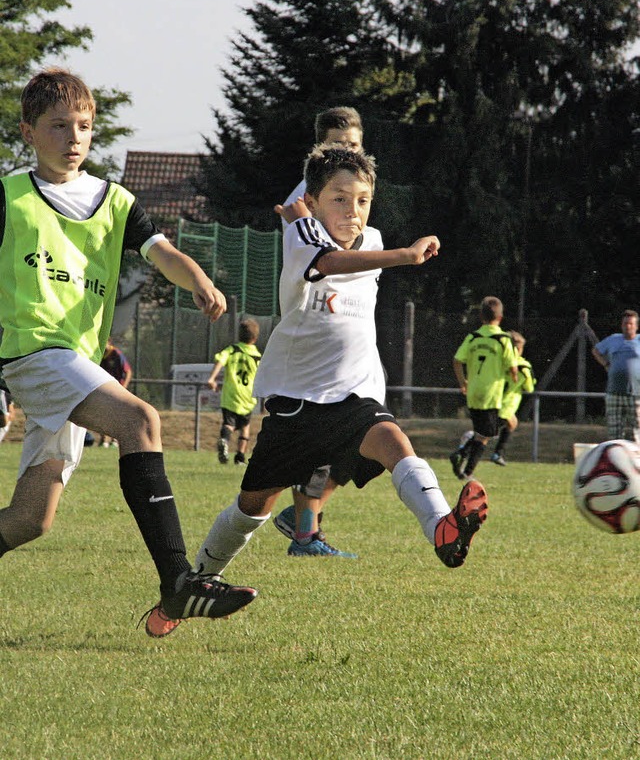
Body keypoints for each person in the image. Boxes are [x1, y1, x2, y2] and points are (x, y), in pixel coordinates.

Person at [144, 145, 489, 637]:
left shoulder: (369, 236)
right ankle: (191, 587)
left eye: (363, 200)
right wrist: (406, 256)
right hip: (297, 403)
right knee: (252, 507)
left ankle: (443, 530)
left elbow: (355, 247)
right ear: (313, 200)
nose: (353, 212)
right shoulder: (303, 235)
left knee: (396, 445)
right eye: (340, 199)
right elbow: (327, 262)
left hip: (355, 396)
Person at [0, 67, 257, 638]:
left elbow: (159, 249)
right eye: (58, 125)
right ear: (28, 132)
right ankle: (179, 581)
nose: (73, 138)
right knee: (139, 419)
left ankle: (178, 583)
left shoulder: (113, 199)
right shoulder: (10, 196)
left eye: (84, 126)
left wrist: (196, 277)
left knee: (30, 519)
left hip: (77, 363)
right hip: (33, 352)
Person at [272, 106, 364, 558]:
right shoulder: (307, 196)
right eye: (336, 144)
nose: (345, 151)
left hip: (349, 323)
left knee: (363, 440)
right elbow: (317, 261)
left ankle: (301, 520)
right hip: (315, 327)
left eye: (352, 144)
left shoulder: (356, 189)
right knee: (323, 438)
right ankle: (306, 533)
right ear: (319, 148)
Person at [450, 296, 518, 479]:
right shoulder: (503, 339)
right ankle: (462, 456)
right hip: (491, 393)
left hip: (473, 392)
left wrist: (462, 382)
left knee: (485, 432)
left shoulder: (473, 337)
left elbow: (457, 361)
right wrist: (514, 376)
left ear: (481, 316)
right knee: (486, 434)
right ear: (501, 318)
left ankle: (465, 468)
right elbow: (512, 366)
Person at [208, 318, 262, 465]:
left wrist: (212, 378)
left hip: (230, 395)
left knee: (228, 423)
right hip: (247, 397)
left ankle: (224, 440)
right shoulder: (257, 356)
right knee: (245, 427)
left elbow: (220, 360)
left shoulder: (232, 350)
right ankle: (240, 458)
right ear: (255, 338)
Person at [592, 309, 640, 443]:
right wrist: (606, 364)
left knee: (638, 431)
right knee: (614, 434)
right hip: (614, 393)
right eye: (625, 323)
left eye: (631, 324)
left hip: (636, 394)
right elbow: (596, 350)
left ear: (636, 326)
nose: (628, 326)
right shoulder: (613, 339)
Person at [489, 331, 535, 466]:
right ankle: (464, 447)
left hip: (492, 399)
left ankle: (497, 453)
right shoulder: (521, 366)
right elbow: (529, 388)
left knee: (512, 423)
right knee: (484, 433)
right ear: (517, 348)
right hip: (504, 404)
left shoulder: (499, 362)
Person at [98, 337, 132, 448]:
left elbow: (127, 371)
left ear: (109, 342)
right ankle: (103, 441)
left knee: (116, 414)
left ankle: (115, 440)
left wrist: (124, 388)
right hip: (105, 389)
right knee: (102, 414)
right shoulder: (100, 354)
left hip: (117, 389)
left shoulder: (116, 354)